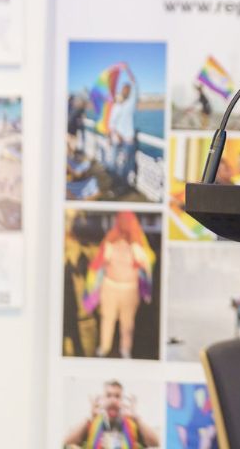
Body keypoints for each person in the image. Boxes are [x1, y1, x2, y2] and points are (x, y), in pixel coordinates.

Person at [84, 211, 155, 359]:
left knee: (127, 324)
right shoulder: (110, 241)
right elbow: (98, 265)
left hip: (129, 290)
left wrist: (145, 287)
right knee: (107, 320)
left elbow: (147, 265)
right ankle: (104, 348)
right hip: (110, 288)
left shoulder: (137, 243)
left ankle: (125, 350)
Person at [62, 379, 160, 448]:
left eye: (117, 396)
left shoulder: (132, 424)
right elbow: (67, 442)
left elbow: (156, 442)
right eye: (109, 395)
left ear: (122, 400)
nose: (113, 400)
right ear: (103, 399)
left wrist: (137, 418)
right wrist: (89, 417)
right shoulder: (92, 423)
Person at [107, 74, 138, 195]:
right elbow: (111, 123)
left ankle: (122, 186)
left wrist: (128, 70)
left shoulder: (131, 104)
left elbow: (135, 85)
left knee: (126, 164)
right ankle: (115, 182)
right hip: (117, 139)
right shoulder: (116, 105)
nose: (125, 91)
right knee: (113, 162)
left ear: (129, 92)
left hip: (129, 140)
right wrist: (113, 135)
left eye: (127, 89)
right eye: (124, 89)